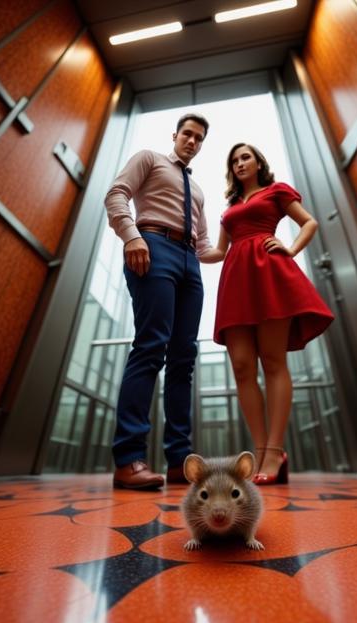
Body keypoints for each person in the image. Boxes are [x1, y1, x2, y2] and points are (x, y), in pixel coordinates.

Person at [199, 143, 334, 485]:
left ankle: (274, 452)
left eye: (246, 157)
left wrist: (290, 248)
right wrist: (189, 247)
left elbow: (310, 222)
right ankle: (260, 451)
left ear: (259, 162)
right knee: (243, 366)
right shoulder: (230, 207)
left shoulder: (276, 191)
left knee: (273, 362)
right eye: (234, 160)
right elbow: (218, 250)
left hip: (270, 273)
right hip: (235, 281)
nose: (240, 163)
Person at [105, 113, 220, 490]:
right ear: (175, 135)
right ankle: (129, 458)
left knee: (184, 357)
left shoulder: (199, 191)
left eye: (199, 138)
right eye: (187, 133)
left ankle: (179, 461)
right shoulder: (150, 159)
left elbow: (204, 247)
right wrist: (131, 236)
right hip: (152, 245)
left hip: (190, 262)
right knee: (151, 346)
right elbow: (116, 194)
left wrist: (237, 242)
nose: (192, 141)